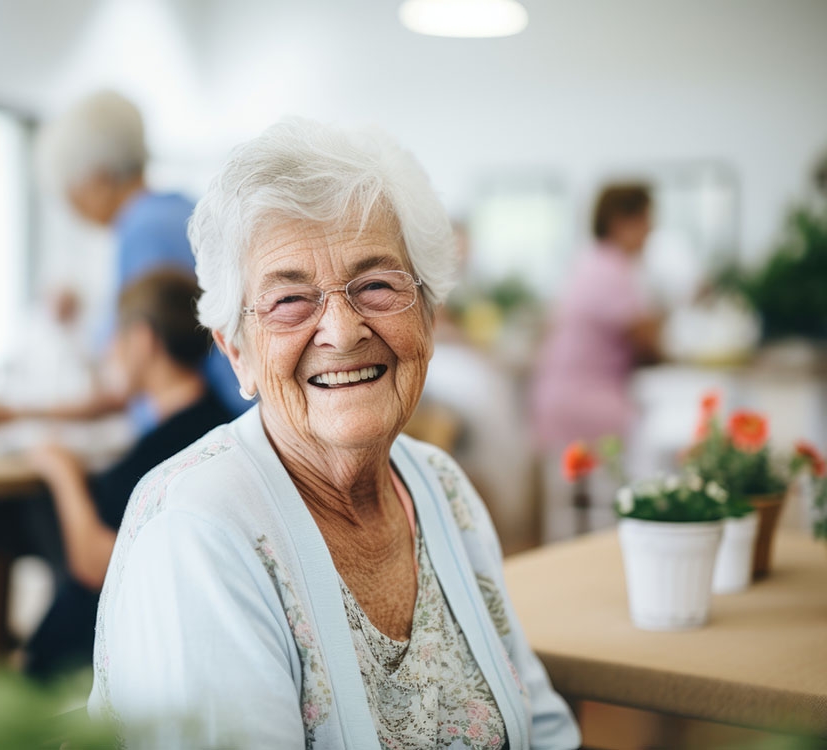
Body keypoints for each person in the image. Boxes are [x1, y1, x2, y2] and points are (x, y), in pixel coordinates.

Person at [89, 119, 580, 749]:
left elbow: (542, 727)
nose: (343, 332)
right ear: (236, 352)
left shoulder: (442, 487)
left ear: (429, 318)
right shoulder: (198, 531)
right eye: (290, 300)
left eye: (377, 285)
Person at [23, 270, 232, 677]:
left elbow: (96, 563)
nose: (109, 352)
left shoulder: (173, 447)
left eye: (115, 337)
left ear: (142, 340)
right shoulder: (211, 420)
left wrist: (63, 472)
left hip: (100, 663)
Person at [35, 89, 244, 426]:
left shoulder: (142, 230)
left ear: (99, 179)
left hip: (195, 429)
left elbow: (140, 358)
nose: (70, 205)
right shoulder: (181, 210)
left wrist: (16, 414)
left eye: (70, 189)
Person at [531, 184, 663, 539]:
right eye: (647, 220)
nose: (652, 230)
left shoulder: (589, 263)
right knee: (655, 441)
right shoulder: (614, 270)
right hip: (586, 401)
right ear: (623, 222)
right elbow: (649, 343)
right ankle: (636, 533)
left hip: (556, 397)